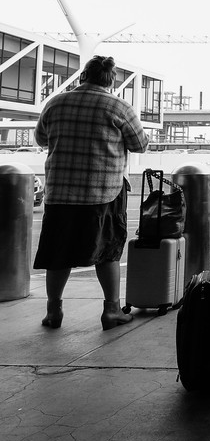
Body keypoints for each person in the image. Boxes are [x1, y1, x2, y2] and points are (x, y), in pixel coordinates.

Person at [33, 55, 149, 330]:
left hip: (60, 192)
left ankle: (54, 312)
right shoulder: (118, 106)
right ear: (110, 81)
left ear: (83, 76)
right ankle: (111, 311)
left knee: (58, 253)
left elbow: (40, 138)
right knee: (107, 251)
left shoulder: (56, 103)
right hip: (103, 192)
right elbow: (140, 144)